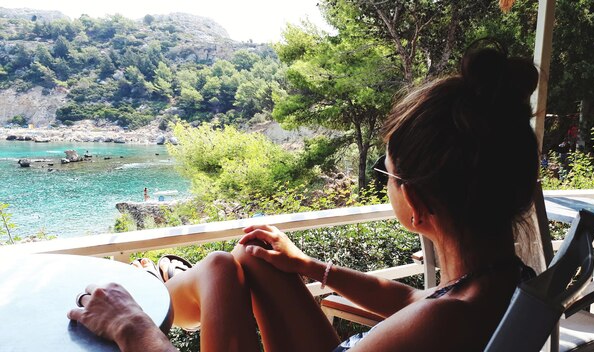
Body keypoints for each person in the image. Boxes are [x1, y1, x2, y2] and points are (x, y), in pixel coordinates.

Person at [67, 40, 540, 352]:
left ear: (415, 203)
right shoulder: (498, 284)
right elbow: (415, 298)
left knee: (216, 269)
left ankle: (155, 292)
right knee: (250, 256)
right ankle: (169, 283)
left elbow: (427, 311)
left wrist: (133, 330)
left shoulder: (447, 320)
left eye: (388, 175)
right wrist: (314, 269)